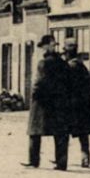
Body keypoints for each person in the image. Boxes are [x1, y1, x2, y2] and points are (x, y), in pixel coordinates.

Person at [25, 35, 72, 170]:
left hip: (42, 102)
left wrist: (34, 96)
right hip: (60, 102)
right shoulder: (63, 63)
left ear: (46, 47)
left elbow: (39, 83)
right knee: (61, 133)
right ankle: (61, 162)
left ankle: (34, 161)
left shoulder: (43, 63)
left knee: (34, 131)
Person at [64, 39, 90, 168]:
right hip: (83, 104)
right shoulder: (82, 66)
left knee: (64, 132)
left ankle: (61, 158)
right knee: (83, 133)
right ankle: (85, 156)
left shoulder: (68, 67)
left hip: (70, 104)